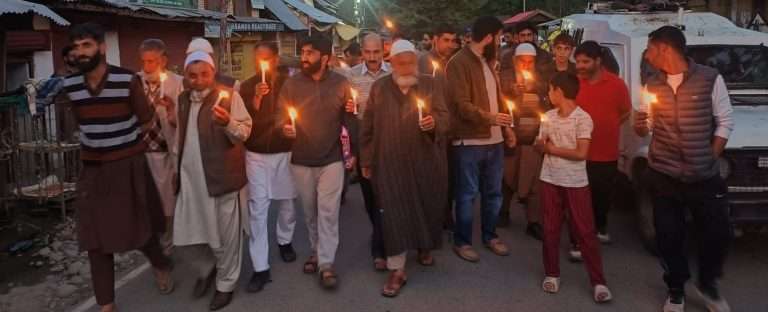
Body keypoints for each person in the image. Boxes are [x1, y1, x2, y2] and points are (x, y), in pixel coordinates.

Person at [59, 23, 172, 312]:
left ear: (102, 47)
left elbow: (146, 120)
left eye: (86, 45)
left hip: (128, 165)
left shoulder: (126, 80)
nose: (80, 52)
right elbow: (81, 122)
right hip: (93, 170)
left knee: (140, 229)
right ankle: (106, 304)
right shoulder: (71, 86)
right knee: (94, 238)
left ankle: (160, 263)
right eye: (75, 47)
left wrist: (122, 137)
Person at [635, 26, 734, 312]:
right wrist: (641, 125)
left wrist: (710, 156)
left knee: (717, 233)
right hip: (663, 174)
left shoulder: (709, 79)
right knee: (668, 235)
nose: (647, 54)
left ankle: (708, 285)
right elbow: (646, 128)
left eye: (650, 48)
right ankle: (676, 287)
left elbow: (725, 120)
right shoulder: (651, 84)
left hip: (704, 176)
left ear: (664, 48)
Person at [360, 39, 450, 298]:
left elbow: (445, 117)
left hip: (426, 161)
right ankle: (397, 269)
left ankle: (424, 245)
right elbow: (367, 128)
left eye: (410, 62)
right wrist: (366, 160)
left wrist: (434, 123)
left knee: (426, 205)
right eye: (401, 63)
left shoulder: (431, 84)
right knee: (394, 212)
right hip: (390, 163)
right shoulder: (379, 88)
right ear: (392, 63)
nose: (407, 67)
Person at [174, 51, 252, 311]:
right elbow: (180, 137)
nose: (198, 81)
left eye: (204, 74)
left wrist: (228, 122)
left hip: (222, 179)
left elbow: (244, 132)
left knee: (225, 238)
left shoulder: (231, 97)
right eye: (192, 75)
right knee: (188, 235)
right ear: (186, 75)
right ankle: (207, 268)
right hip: (191, 181)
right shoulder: (183, 99)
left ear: (213, 72)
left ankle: (225, 285)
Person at [280, 34, 355, 289]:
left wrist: (352, 153)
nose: (304, 56)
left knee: (328, 212)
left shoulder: (341, 84)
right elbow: (281, 117)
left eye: (310, 53)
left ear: (325, 58)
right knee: (310, 211)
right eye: (303, 51)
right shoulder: (291, 85)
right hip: (301, 158)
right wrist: (284, 129)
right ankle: (315, 250)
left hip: (331, 159)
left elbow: (350, 121)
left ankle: (325, 263)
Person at [535, 72, 612, 303]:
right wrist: (543, 146)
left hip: (576, 183)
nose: (548, 95)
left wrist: (551, 149)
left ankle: (598, 281)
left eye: (550, 90)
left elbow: (581, 153)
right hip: (549, 178)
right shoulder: (548, 116)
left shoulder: (583, 119)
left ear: (559, 91)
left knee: (585, 231)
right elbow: (540, 144)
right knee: (550, 228)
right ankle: (552, 273)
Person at [446, 16, 516, 262]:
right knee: (466, 194)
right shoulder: (458, 63)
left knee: (494, 193)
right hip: (469, 141)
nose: (500, 41)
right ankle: (462, 241)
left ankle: (490, 235)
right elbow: (461, 105)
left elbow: (498, 99)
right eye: (498, 37)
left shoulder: (488, 62)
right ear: (489, 37)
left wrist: (507, 128)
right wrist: (492, 119)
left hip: (494, 140)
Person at [240, 42, 298, 293]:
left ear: (275, 59)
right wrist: (255, 99)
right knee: (258, 210)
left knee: (286, 203)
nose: (260, 63)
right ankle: (260, 267)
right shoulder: (245, 86)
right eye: (257, 59)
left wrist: (293, 129)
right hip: (255, 155)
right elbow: (241, 120)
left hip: (284, 152)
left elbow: (297, 113)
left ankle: (285, 240)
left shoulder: (290, 83)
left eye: (265, 58)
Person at [574, 41, 631, 246]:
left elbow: (625, 112)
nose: (580, 66)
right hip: (578, 152)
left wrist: (609, 125)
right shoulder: (574, 83)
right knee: (580, 197)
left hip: (606, 153)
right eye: (578, 61)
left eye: (585, 61)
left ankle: (600, 225)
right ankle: (579, 238)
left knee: (602, 196)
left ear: (598, 61)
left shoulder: (617, 84)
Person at [345, 33, 391, 271]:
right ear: (362, 52)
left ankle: (381, 246)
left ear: (384, 50)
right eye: (368, 52)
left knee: (386, 196)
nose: (372, 57)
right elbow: (346, 113)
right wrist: (349, 107)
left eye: (376, 52)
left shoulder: (393, 73)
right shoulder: (351, 76)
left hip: (390, 141)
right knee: (370, 196)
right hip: (365, 142)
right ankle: (380, 232)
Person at [137, 39, 184, 256]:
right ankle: (152, 242)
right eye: (144, 61)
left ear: (163, 60)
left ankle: (167, 243)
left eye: (152, 61)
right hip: (141, 152)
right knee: (146, 202)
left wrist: (172, 111)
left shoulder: (178, 84)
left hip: (166, 153)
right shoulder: (135, 83)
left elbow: (183, 124)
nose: (148, 67)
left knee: (167, 203)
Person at [498, 43, 548, 240]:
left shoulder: (541, 78)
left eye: (530, 62)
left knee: (535, 181)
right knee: (507, 176)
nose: (526, 65)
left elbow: (548, 95)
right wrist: (511, 90)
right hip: (513, 135)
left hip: (533, 136)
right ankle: (503, 212)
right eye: (522, 61)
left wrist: (535, 87)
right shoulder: (506, 76)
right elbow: (500, 98)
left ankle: (533, 221)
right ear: (515, 61)